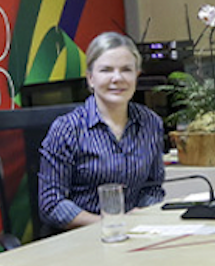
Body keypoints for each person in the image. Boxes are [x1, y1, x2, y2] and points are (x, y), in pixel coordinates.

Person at [37, 32, 166, 230]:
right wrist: (108, 223)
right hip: (79, 240)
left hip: (136, 234)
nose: (117, 78)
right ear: (90, 78)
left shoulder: (151, 123)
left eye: (126, 70)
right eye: (106, 70)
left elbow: (153, 187)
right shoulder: (67, 129)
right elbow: (51, 203)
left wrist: (142, 213)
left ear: (136, 76)